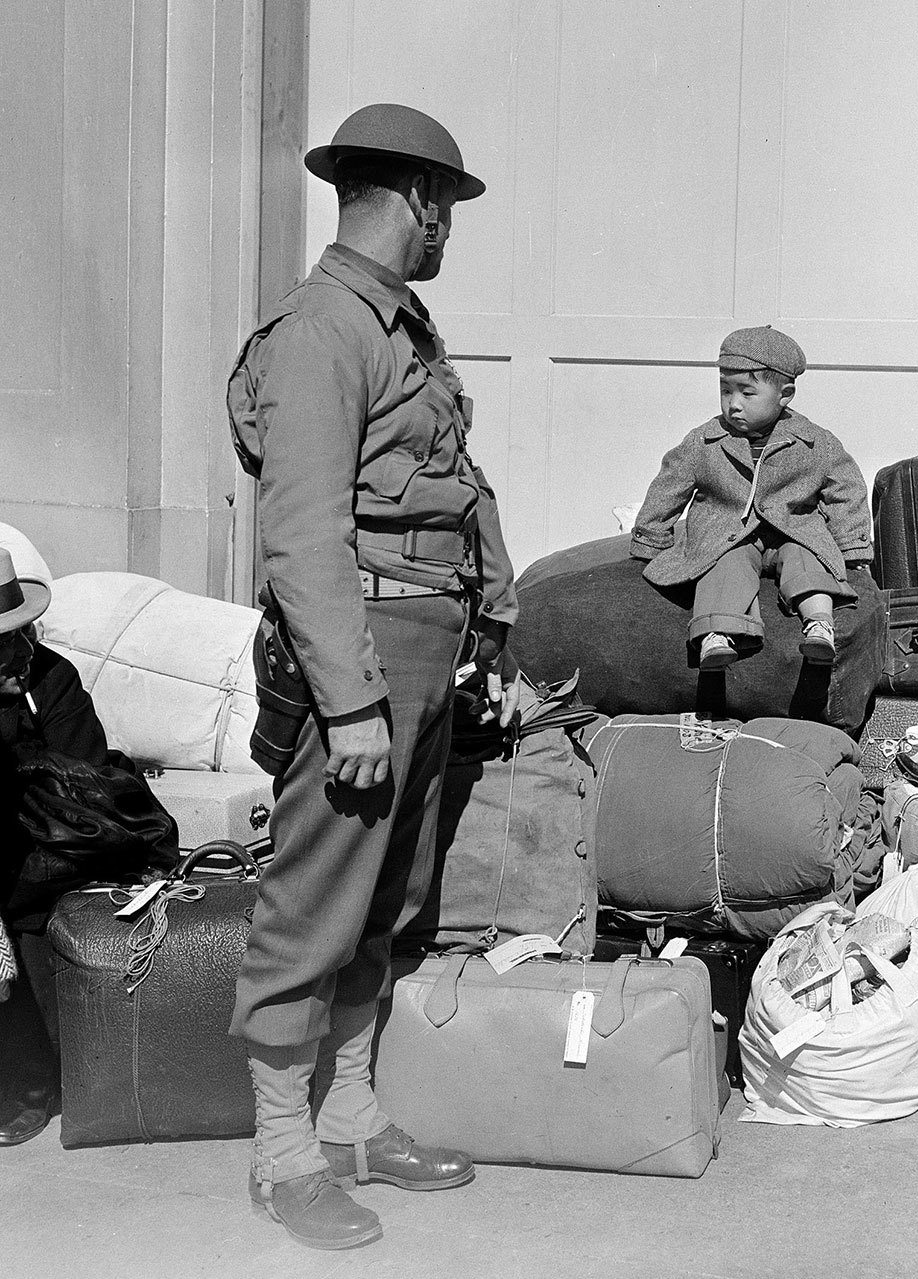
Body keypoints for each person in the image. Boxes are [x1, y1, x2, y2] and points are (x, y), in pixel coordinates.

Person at [226, 103, 519, 1251]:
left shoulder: (404, 329)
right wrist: (347, 698)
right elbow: (299, 534)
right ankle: (281, 1153)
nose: (450, 231)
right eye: (449, 210)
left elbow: (454, 488)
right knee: (315, 902)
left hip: (424, 648)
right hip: (360, 650)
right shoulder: (321, 331)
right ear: (422, 203)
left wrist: (485, 627)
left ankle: (348, 1118)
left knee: (388, 901)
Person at [629, 326, 872, 669]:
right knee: (723, 564)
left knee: (808, 557)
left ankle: (819, 625)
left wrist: (851, 549)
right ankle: (716, 636)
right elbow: (670, 485)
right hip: (729, 533)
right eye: (725, 391)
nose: (734, 404)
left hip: (793, 531)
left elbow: (846, 489)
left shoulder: (816, 443)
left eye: (747, 392)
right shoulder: (704, 442)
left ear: (784, 394)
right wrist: (650, 538)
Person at [0, 527, 110, 1146]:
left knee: (26, 914)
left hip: (55, 846)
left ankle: (34, 1082)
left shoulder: (51, 680)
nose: (16, 659)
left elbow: (84, 777)